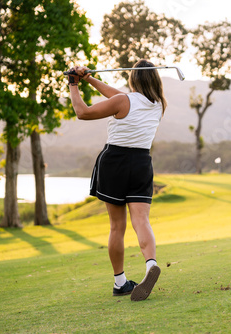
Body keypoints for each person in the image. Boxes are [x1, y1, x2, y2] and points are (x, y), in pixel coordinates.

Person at [67, 60, 165, 301]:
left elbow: (83, 113)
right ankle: (150, 264)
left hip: (115, 163)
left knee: (116, 227)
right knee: (141, 220)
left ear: (134, 79)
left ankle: (120, 282)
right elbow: (121, 98)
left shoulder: (124, 101)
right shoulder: (159, 105)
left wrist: (73, 84)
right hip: (142, 163)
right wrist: (89, 78)